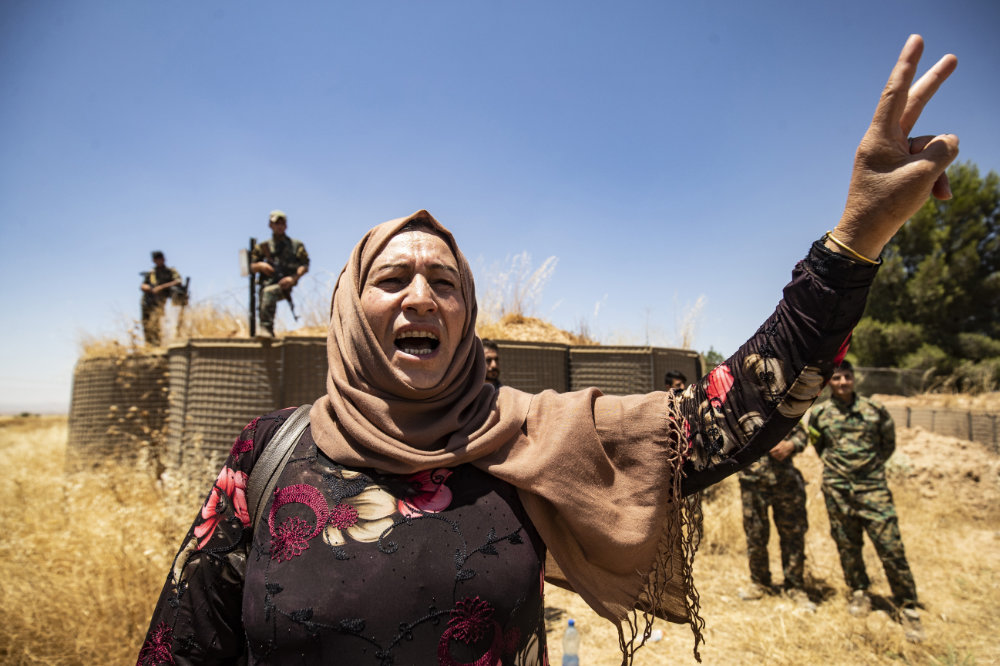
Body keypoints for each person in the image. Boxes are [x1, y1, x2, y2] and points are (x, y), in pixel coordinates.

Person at [138, 35, 958, 664]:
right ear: (350, 309)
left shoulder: (525, 440)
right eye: (392, 278)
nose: (421, 295)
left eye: (445, 282)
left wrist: (856, 238)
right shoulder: (267, 455)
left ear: (468, 317)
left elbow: (724, 415)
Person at [799, 359, 923, 640]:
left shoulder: (874, 409)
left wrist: (868, 470)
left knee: (890, 545)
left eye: (847, 377)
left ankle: (907, 605)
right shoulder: (820, 414)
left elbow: (887, 444)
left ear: (854, 379)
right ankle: (859, 591)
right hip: (838, 490)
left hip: (873, 488)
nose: (842, 383)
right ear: (829, 382)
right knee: (847, 544)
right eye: (837, 378)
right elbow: (819, 445)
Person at [736, 420, 811, 609]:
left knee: (792, 536)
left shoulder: (783, 408)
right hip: (752, 483)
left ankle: (795, 586)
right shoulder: (741, 410)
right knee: (755, 536)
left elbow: (802, 435)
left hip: (785, 482)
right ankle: (759, 583)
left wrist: (791, 445)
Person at [250, 210, 310, 337]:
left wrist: (293, 279)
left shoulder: (296, 245)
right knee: (265, 295)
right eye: (276, 223)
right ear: (270, 225)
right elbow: (250, 267)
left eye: (282, 223)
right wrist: (261, 266)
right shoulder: (263, 247)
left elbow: (305, 265)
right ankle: (265, 333)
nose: (279, 226)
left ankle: (266, 330)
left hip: (285, 284)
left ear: (286, 225)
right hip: (266, 283)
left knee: (268, 293)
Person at [140, 251, 183, 346]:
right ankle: (149, 345)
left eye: (160, 258)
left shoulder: (170, 271)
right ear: (154, 260)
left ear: (164, 259)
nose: (159, 261)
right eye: (156, 259)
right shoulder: (151, 273)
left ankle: (157, 344)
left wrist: (161, 287)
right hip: (147, 301)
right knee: (147, 324)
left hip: (160, 302)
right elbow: (143, 285)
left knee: (158, 323)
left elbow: (178, 281)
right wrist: (149, 289)